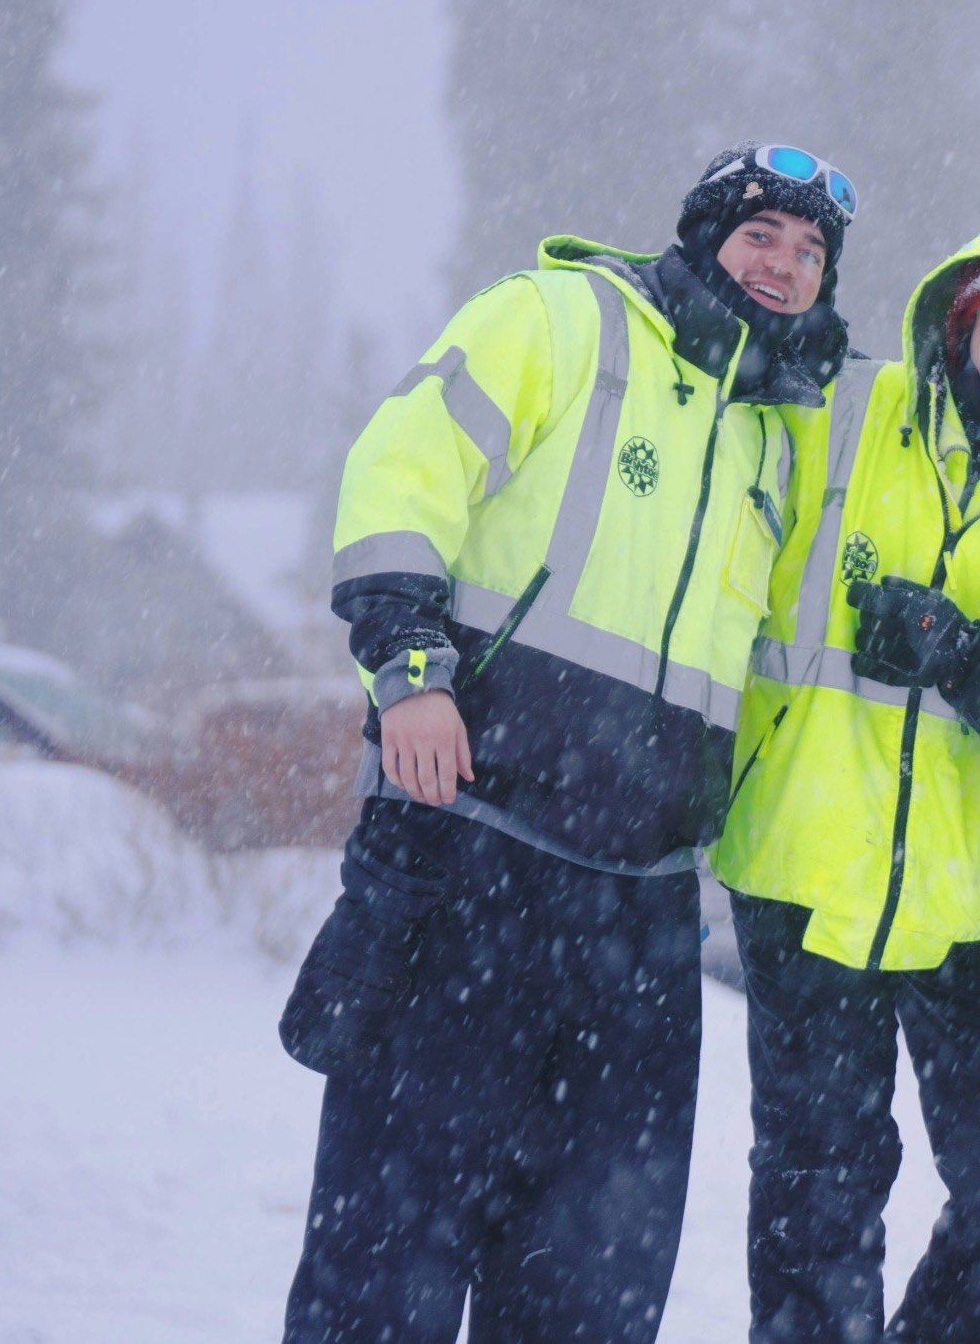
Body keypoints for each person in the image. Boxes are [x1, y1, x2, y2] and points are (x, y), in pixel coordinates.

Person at [280, 142, 855, 1343]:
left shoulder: (776, 435)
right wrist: (409, 666)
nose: (784, 265)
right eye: (761, 234)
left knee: (591, 1285)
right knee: (387, 1261)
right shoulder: (559, 319)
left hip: (642, 914)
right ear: (703, 233)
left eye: (811, 252)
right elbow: (400, 473)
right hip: (472, 858)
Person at [711, 197, 980, 1344]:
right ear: (962, 308)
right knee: (817, 1190)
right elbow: (705, 478)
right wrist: (759, 348)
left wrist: (978, 662)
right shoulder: (844, 409)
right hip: (806, 863)